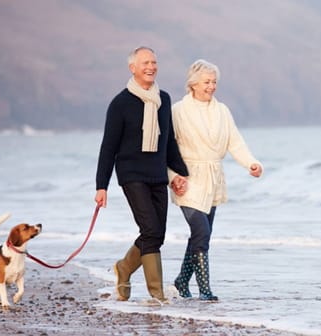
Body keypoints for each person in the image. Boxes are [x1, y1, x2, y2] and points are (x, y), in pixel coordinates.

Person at [94, 46, 189, 304]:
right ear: (132, 68)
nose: (151, 67)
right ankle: (157, 293)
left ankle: (124, 268)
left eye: (154, 62)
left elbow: (168, 141)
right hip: (131, 174)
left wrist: (181, 173)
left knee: (157, 234)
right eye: (145, 62)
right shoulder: (120, 103)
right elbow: (108, 147)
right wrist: (101, 186)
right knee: (150, 228)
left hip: (157, 174)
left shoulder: (164, 99)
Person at [168, 59, 263, 301]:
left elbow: (235, 141)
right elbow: (168, 147)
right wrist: (172, 176)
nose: (212, 86)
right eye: (207, 82)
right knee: (201, 230)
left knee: (202, 234)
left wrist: (251, 163)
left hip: (213, 178)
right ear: (193, 84)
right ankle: (205, 289)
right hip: (187, 178)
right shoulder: (178, 110)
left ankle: (180, 282)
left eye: (214, 82)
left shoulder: (222, 111)